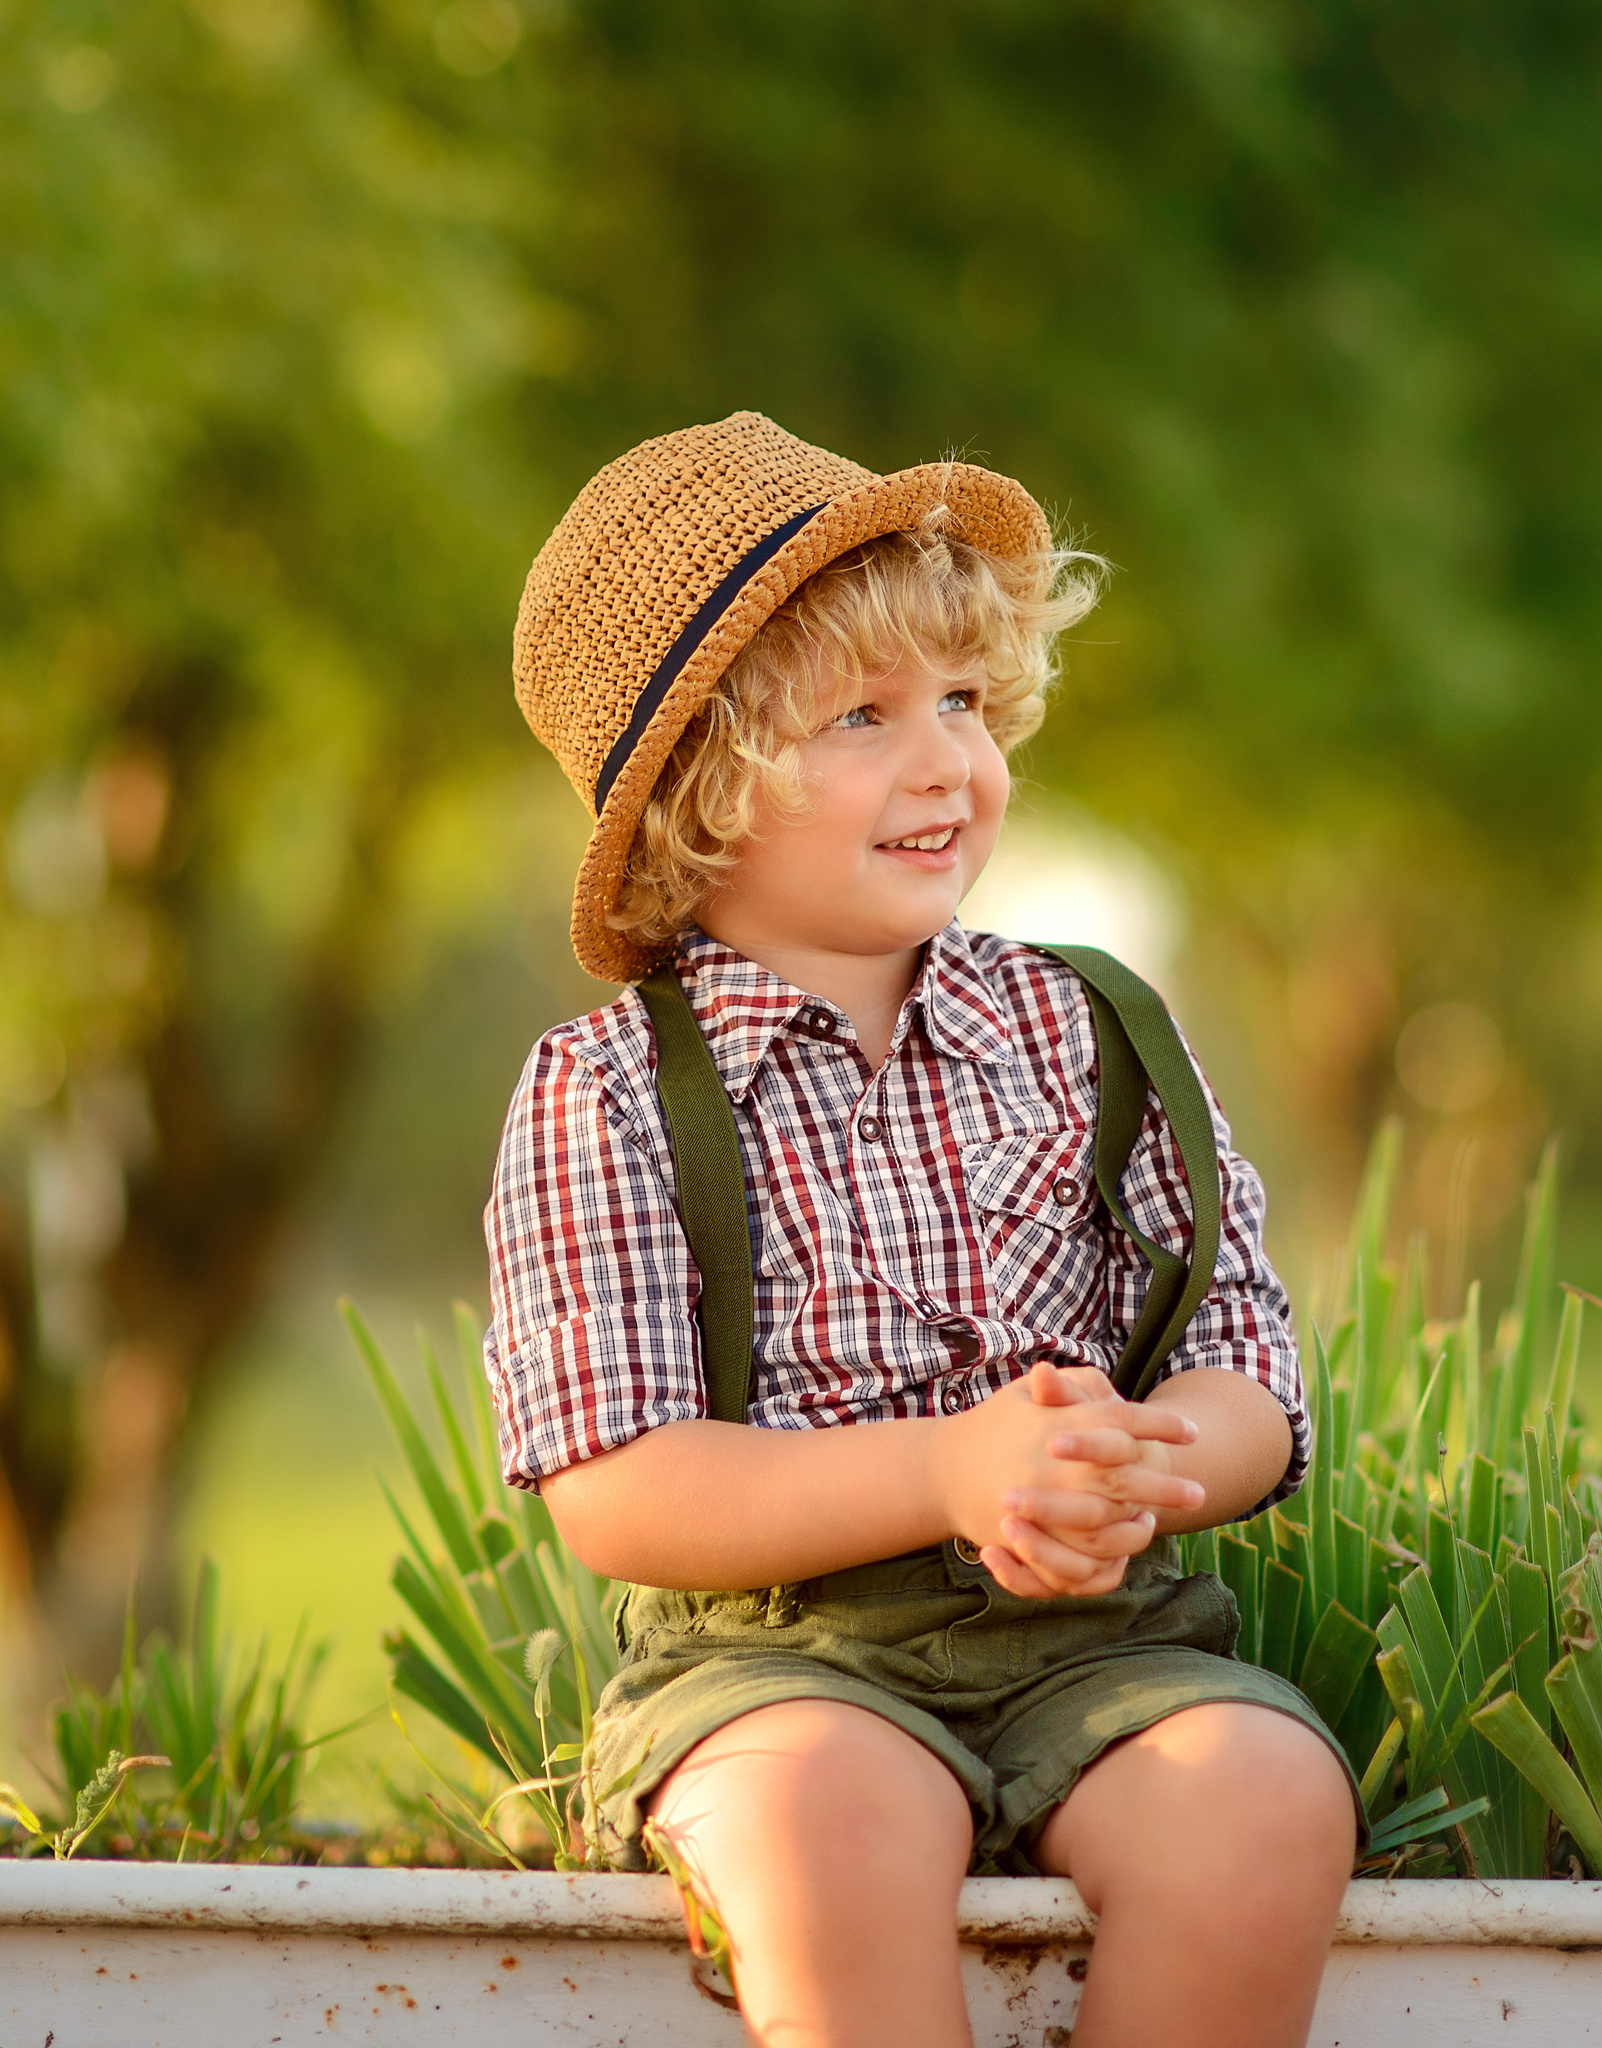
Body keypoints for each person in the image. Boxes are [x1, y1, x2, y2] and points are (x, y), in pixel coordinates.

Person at [485, 413, 1357, 2047]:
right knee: (830, 1822)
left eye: (963, 700)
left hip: (1100, 1644)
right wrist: (946, 1470)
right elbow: (620, 1486)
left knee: (1263, 1803)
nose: (945, 760)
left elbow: (1248, 1353)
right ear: (698, 793)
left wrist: (1148, 1463)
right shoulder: (607, 1096)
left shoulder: (1085, 1033)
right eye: (861, 720)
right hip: (781, 1662)